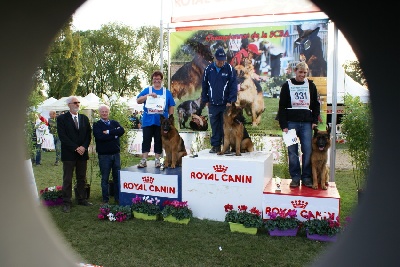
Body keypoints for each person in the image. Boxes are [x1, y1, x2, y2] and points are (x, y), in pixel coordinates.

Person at [277, 61, 320, 188]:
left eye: (305, 73)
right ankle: (295, 177)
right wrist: (283, 124)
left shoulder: (311, 85)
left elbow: (316, 105)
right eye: (300, 72)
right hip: (291, 123)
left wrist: (314, 121)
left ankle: (306, 177)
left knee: (308, 151)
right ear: (295, 71)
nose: (302, 75)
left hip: (306, 123)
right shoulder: (287, 85)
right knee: (292, 152)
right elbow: (282, 106)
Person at [57, 96, 92, 212]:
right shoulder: (62, 119)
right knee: (67, 178)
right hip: (69, 154)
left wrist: (84, 147)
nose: (77, 104)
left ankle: (81, 198)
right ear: (69, 105)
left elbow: (88, 135)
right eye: (74, 103)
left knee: (81, 177)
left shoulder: (84, 118)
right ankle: (66, 202)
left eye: (78, 102)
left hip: (82, 153)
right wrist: (76, 148)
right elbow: (63, 137)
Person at [200, 47, 238, 153]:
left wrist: (230, 100)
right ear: (215, 59)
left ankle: (226, 147)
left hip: (225, 104)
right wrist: (205, 99)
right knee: (214, 125)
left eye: (223, 60)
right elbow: (204, 86)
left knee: (225, 125)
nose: (221, 63)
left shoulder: (229, 69)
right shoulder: (208, 69)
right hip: (212, 104)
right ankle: (215, 146)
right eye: (219, 60)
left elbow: (233, 86)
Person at [136, 70, 175, 168]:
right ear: (152, 80)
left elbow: (171, 105)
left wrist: (170, 119)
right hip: (148, 120)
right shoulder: (147, 90)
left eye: (158, 79)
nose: (156, 80)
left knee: (159, 141)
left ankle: (157, 160)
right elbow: (138, 100)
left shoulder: (166, 92)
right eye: (155, 78)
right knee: (146, 140)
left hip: (161, 122)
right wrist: (147, 96)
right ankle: (144, 160)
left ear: (161, 80)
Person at [93, 104, 125, 204]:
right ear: (99, 113)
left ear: (108, 112)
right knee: (105, 178)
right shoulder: (97, 125)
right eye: (102, 111)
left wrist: (108, 132)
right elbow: (99, 137)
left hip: (116, 154)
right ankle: (105, 199)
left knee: (117, 177)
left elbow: (122, 130)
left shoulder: (114, 122)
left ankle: (117, 198)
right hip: (104, 156)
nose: (104, 113)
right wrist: (114, 134)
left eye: (106, 111)